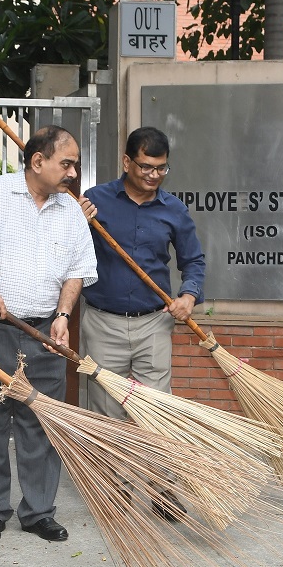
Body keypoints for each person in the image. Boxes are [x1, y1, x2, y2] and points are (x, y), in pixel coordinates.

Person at [0, 125, 96, 545]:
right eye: (66, 164)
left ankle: (38, 512)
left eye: (74, 165)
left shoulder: (71, 211)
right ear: (37, 161)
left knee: (42, 424)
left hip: (44, 333)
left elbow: (77, 269)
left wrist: (63, 315)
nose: (72, 173)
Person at [81, 126, 204, 518]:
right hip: (102, 321)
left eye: (161, 168)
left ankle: (162, 488)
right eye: (146, 167)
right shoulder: (94, 201)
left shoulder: (174, 209)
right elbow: (65, 251)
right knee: (108, 410)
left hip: (154, 323)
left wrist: (189, 295)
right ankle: (116, 487)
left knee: (156, 409)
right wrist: (75, 223)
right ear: (127, 161)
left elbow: (193, 261)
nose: (154, 175)